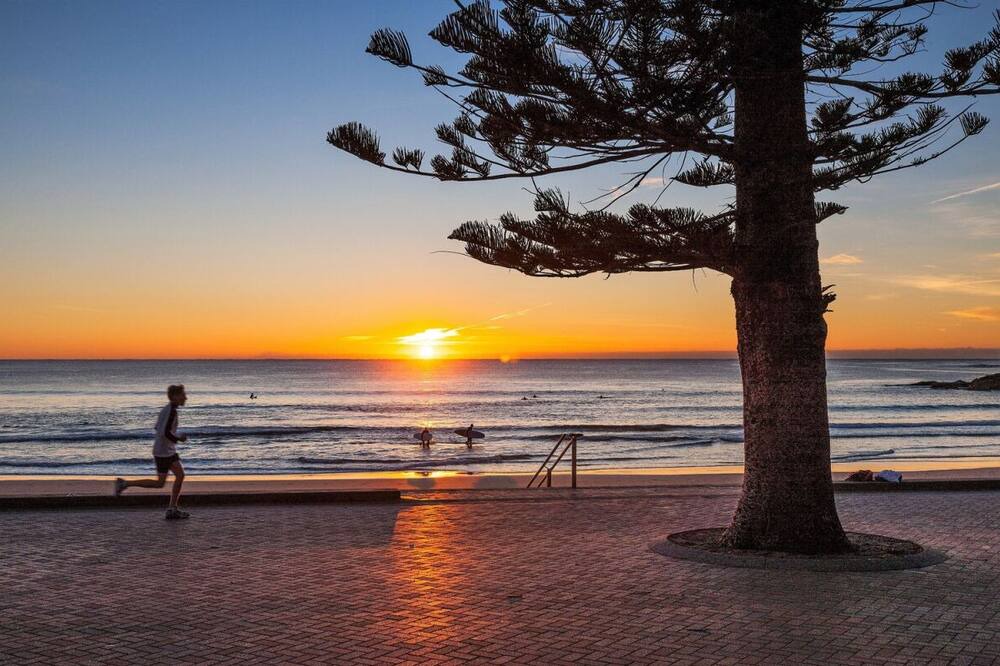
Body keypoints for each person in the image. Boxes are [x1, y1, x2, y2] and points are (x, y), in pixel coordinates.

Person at [114, 384, 190, 519]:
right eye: (183, 395)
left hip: (165, 450)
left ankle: (172, 508)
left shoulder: (167, 410)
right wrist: (179, 438)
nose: (186, 398)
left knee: (176, 477)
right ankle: (125, 484)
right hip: (164, 452)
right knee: (163, 482)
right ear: (175, 397)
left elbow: (158, 428)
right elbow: (165, 432)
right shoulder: (171, 411)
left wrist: (172, 439)